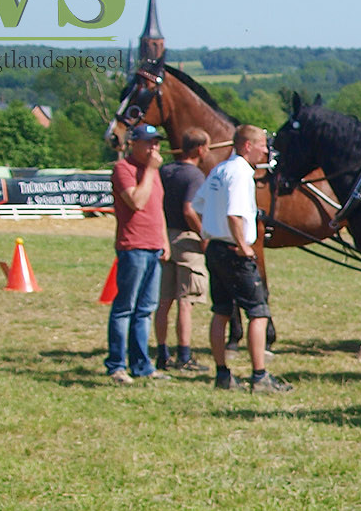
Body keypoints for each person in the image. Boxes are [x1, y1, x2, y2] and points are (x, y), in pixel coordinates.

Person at [195, 124, 289, 392]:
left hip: (215, 248)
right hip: (234, 251)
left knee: (221, 310)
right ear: (247, 145)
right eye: (262, 145)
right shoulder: (240, 174)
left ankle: (223, 374)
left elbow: (197, 205)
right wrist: (243, 246)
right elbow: (235, 214)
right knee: (258, 313)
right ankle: (259, 376)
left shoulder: (220, 169)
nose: (265, 150)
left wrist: (209, 231)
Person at [106, 122, 169, 384]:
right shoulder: (124, 169)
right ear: (134, 144)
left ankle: (142, 365)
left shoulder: (152, 172)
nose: (154, 148)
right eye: (149, 143)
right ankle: (117, 364)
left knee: (145, 309)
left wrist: (164, 240)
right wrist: (151, 172)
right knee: (125, 308)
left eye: (156, 143)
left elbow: (158, 208)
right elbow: (137, 201)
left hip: (154, 246)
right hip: (133, 246)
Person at [154, 127, 211, 372]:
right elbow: (189, 210)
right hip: (186, 241)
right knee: (185, 301)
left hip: (163, 237)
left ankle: (161, 353)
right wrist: (203, 234)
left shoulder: (165, 170)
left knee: (164, 300)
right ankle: (184, 354)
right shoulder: (195, 175)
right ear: (199, 149)